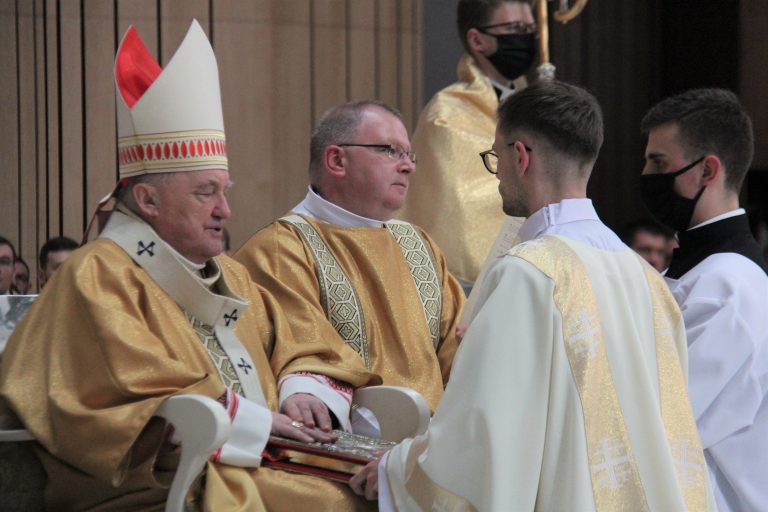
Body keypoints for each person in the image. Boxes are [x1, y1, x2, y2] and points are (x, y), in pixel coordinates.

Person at [0, 20, 373, 511]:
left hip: (258, 460)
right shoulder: (97, 273)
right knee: (338, 502)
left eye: (225, 191)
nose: (225, 210)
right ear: (148, 200)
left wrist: (298, 386)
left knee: (385, 484)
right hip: (166, 482)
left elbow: (299, 338)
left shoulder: (231, 274)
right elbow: (117, 397)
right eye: (205, 193)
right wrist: (253, 423)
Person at [351, 81, 714, 511]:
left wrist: (397, 469)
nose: (497, 174)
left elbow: (484, 435)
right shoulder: (649, 281)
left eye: (495, 158)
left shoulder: (529, 273)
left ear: (520, 156)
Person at [234, 100, 465, 435]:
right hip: (343, 443)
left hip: (436, 442)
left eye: (409, 155)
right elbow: (303, 351)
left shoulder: (419, 246)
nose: (408, 167)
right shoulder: (281, 248)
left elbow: (458, 349)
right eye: (390, 151)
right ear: (337, 160)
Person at [640, 87, 768, 512]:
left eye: (659, 163)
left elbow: (662, 420)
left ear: (707, 170)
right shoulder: (699, 272)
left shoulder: (728, 288)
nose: (646, 174)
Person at [399, 0, 537, 288]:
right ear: (477, 40)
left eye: (530, 29)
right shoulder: (446, 115)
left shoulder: (538, 108)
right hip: (474, 286)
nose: (526, 38)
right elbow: (457, 214)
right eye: (515, 28)